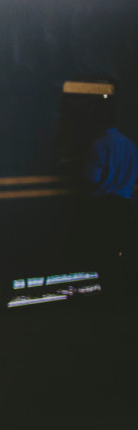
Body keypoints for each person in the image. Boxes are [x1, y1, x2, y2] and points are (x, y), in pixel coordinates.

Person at [83, 124, 138, 301]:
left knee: (105, 251)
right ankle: (124, 291)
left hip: (104, 203)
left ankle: (111, 293)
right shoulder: (130, 144)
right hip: (124, 201)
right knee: (121, 247)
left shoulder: (99, 144)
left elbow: (92, 177)